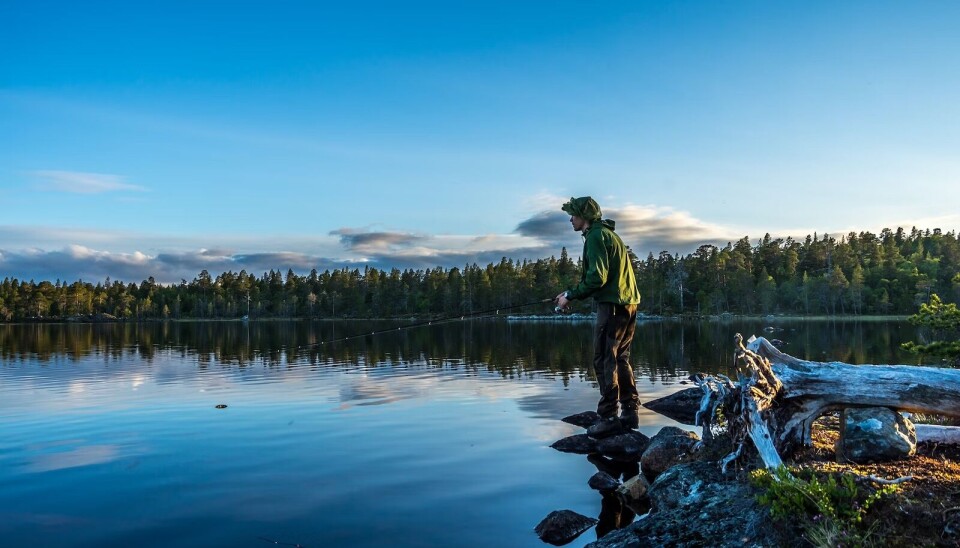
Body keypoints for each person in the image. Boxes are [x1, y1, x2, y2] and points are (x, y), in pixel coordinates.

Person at [555, 196, 642, 439]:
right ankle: (630, 412)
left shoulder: (594, 236)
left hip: (613, 305)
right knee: (620, 359)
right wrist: (569, 294)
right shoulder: (608, 234)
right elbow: (601, 276)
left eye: (573, 214)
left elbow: (597, 278)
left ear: (584, 216)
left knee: (605, 359)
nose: (571, 219)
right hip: (629, 303)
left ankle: (608, 417)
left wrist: (572, 296)